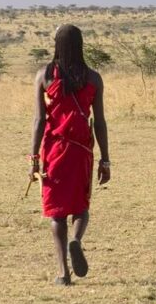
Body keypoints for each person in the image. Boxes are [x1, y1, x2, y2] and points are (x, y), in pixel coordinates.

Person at [29, 24, 110, 285]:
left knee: (57, 212)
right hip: (81, 150)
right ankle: (76, 239)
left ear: (57, 45)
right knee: (81, 206)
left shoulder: (44, 75)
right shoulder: (94, 78)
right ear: (81, 45)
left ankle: (63, 273)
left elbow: (39, 120)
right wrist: (105, 159)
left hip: (53, 150)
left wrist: (33, 159)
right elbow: (99, 122)